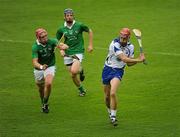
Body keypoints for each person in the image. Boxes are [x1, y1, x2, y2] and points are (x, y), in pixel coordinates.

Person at [102, 28, 145, 126]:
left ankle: (113, 116)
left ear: (128, 38)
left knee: (113, 93)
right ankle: (109, 112)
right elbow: (124, 59)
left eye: (124, 39)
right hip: (107, 69)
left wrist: (138, 60)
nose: (122, 40)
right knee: (107, 96)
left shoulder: (131, 47)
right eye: (121, 38)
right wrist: (139, 59)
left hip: (118, 71)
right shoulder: (114, 44)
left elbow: (129, 63)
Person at [56, 8, 93, 96]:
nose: (69, 17)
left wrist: (90, 45)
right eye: (67, 16)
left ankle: (79, 69)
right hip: (67, 52)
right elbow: (57, 41)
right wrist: (61, 50)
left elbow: (90, 31)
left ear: (73, 16)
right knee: (73, 75)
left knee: (73, 71)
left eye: (71, 15)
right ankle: (81, 89)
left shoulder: (79, 25)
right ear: (64, 17)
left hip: (78, 51)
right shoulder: (61, 29)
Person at [32, 28, 68, 113]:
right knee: (40, 88)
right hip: (39, 69)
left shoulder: (52, 41)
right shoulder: (35, 47)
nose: (45, 38)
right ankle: (44, 102)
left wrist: (63, 48)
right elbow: (34, 62)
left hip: (50, 66)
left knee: (48, 83)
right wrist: (41, 67)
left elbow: (61, 45)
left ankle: (45, 103)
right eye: (42, 37)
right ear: (38, 38)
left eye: (46, 36)